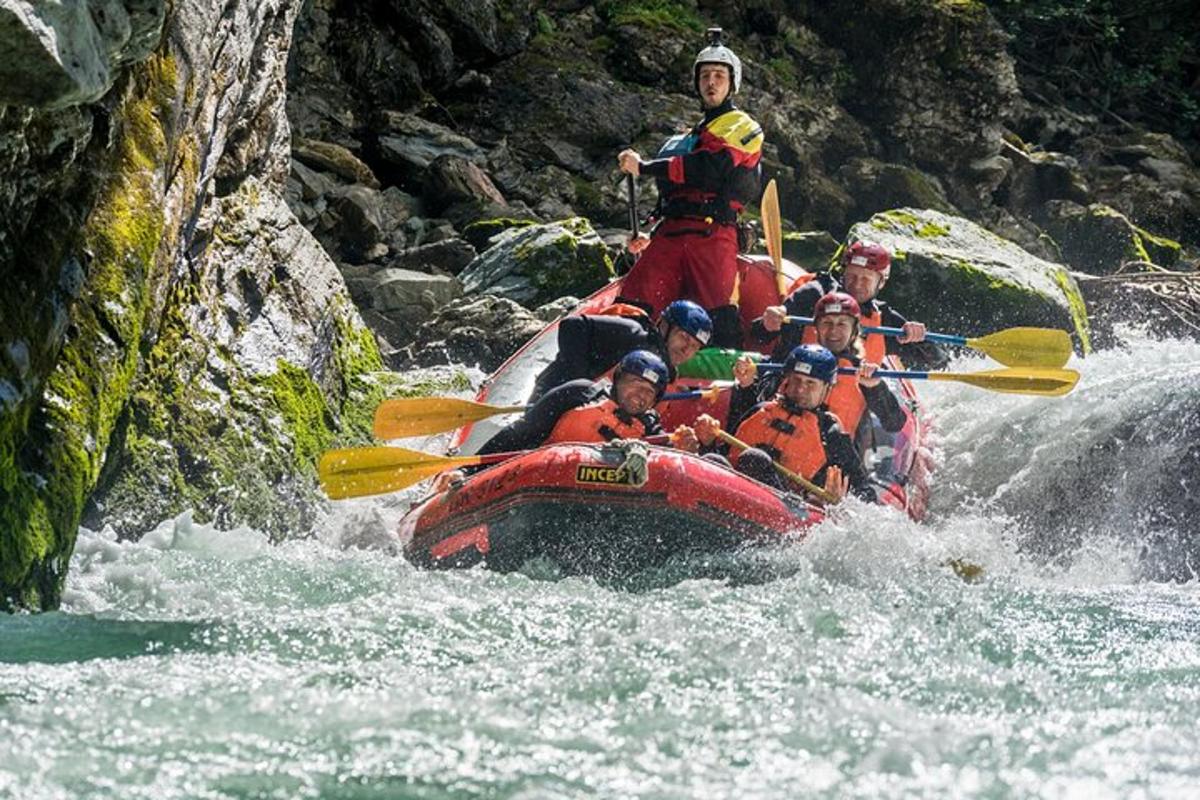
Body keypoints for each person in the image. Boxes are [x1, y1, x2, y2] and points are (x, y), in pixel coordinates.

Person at [615, 27, 763, 349]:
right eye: (705, 76)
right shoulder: (682, 139)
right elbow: (670, 194)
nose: (711, 82)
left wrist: (644, 167)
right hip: (670, 232)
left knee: (719, 318)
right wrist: (648, 231)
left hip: (713, 234)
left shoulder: (744, 127)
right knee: (633, 307)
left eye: (719, 76)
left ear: (732, 83)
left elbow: (708, 170)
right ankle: (620, 368)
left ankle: (722, 388)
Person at [694, 344, 875, 503]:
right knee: (713, 460)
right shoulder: (761, 410)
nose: (801, 388)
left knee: (755, 459)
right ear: (786, 380)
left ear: (826, 389)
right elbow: (725, 455)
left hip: (786, 508)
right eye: (796, 380)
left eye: (811, 383)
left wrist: (838, 501)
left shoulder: (831, 434)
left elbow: (866, 494)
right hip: (730, 495)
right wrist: (706, 443)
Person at [750, 241, 947, 369]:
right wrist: (769, 322)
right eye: (852, 276)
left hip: (844, 410)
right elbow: (757, 335)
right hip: (794, 387)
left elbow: (938, 361)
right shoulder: (815, 293)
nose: (856, 285)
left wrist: (919, 337)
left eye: (865, 279)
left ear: (881, 282)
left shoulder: (883, 318)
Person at [740, 291, 907, 442]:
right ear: (816, 328)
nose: (833, 331)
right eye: (827, 323)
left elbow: (894, 423)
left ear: (854, 332)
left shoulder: (863, 374)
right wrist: (746, 384)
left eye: (842, 324)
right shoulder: (797, 359)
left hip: (829, 458)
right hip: (773, 443)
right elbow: (758, 405)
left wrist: (876, 388)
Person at [477, 350, 699, 456]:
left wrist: (686, 448)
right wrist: (468, 471)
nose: (640, 394)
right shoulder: (579, 393)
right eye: (635, 383)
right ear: (618, 379)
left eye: (649, 392)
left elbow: (669, 457)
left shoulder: (650, 427)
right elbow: (520, 432)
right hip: (543, 479)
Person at [527, 300, 713, 403]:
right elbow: (572, 326)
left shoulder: (665, 374)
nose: (686, 349)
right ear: (664, 326)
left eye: (695, 346)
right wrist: (579, 383)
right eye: (684, 337)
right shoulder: (633, 333)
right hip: (548, 399)